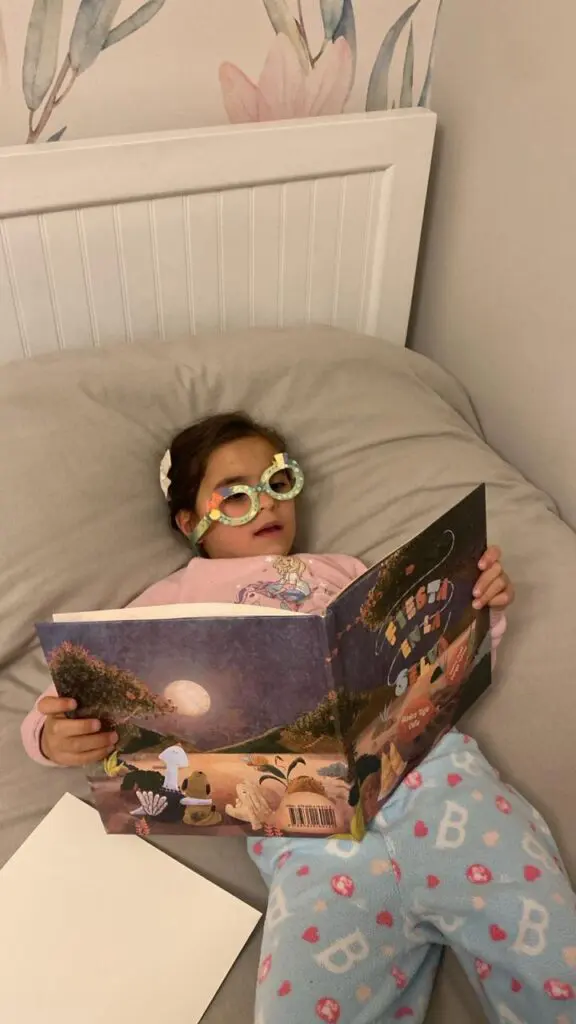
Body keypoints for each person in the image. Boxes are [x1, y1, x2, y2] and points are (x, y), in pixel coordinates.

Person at [22, 412, 576, 1023]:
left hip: (437, 784)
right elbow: (71, 684)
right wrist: (49, 733)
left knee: (552, 960)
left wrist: (481, 604)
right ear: (189, 522)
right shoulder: (169, 600)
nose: (264, 503)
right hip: (307, 835)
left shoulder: (339, 569)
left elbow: (426, 640)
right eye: (235, 494)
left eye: (278, 482)